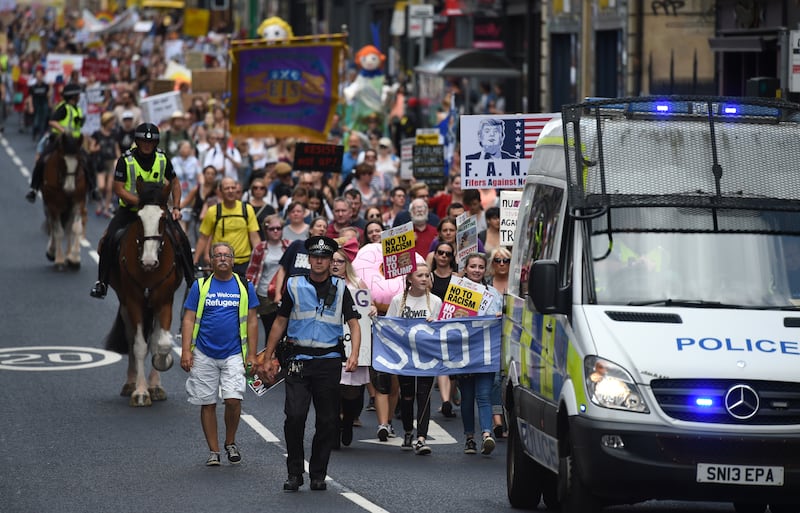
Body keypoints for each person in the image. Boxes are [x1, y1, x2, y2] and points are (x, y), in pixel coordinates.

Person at [257, 236, 361, 492]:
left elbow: (354, 324)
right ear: (309, 259)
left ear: (329, 261)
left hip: (328, 361)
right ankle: (294, 473)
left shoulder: (341, 287)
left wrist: (355, 354)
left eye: (324, 258)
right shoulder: (294, 285)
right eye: (315, 257)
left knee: (327, 422)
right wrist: (269, 355)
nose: (319, 261)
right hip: (298, 360)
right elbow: (280, 321)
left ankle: (318, 474)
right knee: (294, 417)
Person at [89, 122, 194, 299]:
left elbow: (174, 182)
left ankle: (192, 281)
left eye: (151, 142)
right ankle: (102, 282)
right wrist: (141, 202)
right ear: (137, 142)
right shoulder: (125, 160)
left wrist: (176, 207)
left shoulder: (163, 159)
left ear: (155, 143)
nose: (147, 145)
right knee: (109, 240)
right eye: (143, 142)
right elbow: (119, 189)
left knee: (181, 237)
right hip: (130, 210)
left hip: (158, 211)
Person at [181, 242, 259, 466]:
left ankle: (230, 442)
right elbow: (188, 318)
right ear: (211, 261)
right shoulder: (200, 286)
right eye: (218, 255)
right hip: (204, 353)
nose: (223, 259)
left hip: (234, 353)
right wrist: (186, 350)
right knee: (208, 403)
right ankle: (213, 451)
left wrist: (252, 355)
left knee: (233, 400)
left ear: (233, 260)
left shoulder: (245, 286)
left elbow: (252, 321)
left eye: (227, 255)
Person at [386, 263, 442, 455]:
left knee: (424, 395)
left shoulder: (435, 301)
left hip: (426, 355)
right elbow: (389, 326)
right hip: (405, 356)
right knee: (408, 395)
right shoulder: (397, 301)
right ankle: (408, 431)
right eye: (420, 275)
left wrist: (436, 323)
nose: (425, 279)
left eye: (427, 275)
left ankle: (421, 438)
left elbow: (442, 328)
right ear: (410, 279)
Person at [331, 239, 376, 447]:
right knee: (332, 388)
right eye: (332, 261)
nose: (335, 264)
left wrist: (373, 309)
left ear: (346, 264)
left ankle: (348, 420)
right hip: (331, 346)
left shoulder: (357, 284)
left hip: (353, 346)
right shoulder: (322, 283)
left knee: (352, 390)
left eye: (339, 261)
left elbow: (368, 308)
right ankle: (334, 426)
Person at [459, 252, 503, 455]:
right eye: (473, 266)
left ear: (485, 270)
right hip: (464, 353)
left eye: (480, 267)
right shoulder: (457, 291)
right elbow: (447, 316)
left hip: (486, 352)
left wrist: (500, 315)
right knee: (467, 397)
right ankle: (469, 438)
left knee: (484, 395)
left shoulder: (494, 293)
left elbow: (503, 319)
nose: (476, 270)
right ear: (465, 268)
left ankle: (487, 434)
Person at [25, 83, 89, 203]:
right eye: (78, 94)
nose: (80, 96)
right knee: (42, 160)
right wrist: (64, 131)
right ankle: (33, 189)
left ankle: (92, 188)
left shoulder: (78, 109)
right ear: (73, 96)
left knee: (87, 160)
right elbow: (52, 121)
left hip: (74, 143)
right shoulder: (63, 107)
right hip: (59, 141)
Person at [194, 176, 261, 280]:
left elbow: (254, 236)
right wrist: (196, 260)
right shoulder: (213, 211)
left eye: (233, 188)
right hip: (220, 263)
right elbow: (204, 237)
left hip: (243, 263)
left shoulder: (247, 209)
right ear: (220, 191)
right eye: (226, 188)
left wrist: (259, 257)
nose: (230, 191)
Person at [428, 241, 459, 417]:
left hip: (454, 325)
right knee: (442, 362)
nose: (443, 256)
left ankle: (452, 394)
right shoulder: (429, 277)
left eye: (447, 254)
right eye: (440, 252)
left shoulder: (456, 277)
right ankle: (446, 401)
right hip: (436, 324)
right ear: (435, 255)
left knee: (452, 365)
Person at [246, 215, 287, 341]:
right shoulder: (260, 248)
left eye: (278, 228)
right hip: (264, 294)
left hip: (284, 293)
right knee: (269, 329)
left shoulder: (288, 246)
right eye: (272, 229)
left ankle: (279, 358)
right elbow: (251, 271)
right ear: (266, 230)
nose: (275, 231)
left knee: (283, 330)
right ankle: (267, 357)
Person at [487, 246, 511, 438]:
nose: (502, 264)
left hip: (515, 339)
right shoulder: (485, 286)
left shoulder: (519, 285)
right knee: (495, 381)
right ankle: (497, 420)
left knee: (510, 380)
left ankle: (511, 419)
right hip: (493, 339)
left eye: (506, 260)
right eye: (497, 260)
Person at [88, 111, 121, 218]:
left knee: (109, 187)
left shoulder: (114, 134)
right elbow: (91, 148)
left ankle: (106, 208)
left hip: (111, 162)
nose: (113, 124)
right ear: (106, 122)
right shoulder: (97, 134)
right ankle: (99, 204)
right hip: (100, 162)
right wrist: (96, 148)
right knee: (101, 186)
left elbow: (116, 148)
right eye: (111, 122)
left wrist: (119, 159)